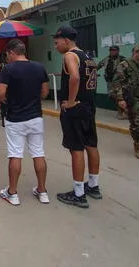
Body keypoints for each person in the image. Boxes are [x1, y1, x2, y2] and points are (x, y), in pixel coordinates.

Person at [0, 39, 50, 206]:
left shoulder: (8, 69)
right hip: (35, 117)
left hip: (15, 118)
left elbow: (0, 92)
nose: (7, 58)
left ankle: (12, 193)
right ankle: (42, 191)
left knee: (15, 154)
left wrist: (6, 100)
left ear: (12, 52)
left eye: (7, 54)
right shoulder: (39, 67)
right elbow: (45, 92)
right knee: (38, 153)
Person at [53, 25, 101, 208]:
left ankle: (79, 193)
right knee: (91, 144)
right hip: (89, 106)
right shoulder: (88, 57)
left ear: (66, 40)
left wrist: (71, 101)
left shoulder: (70, 55)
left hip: (76, 108)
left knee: (76, 148)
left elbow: (74, 77)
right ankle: (94, 185)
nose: (56, 46)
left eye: (57, 43)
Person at [110, 44, 139, 161]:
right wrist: (120, 99)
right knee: (138, 123)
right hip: (133, 98)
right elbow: (117, 83)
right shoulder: (124, 65)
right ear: (136, 53)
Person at [97, 46, 127, 119]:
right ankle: (124, 111)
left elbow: (129, 69)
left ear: (118, 51)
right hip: (110, 82)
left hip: (119, 82)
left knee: (120, 97)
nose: (113, 52)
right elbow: (98, 66)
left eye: (114, 50)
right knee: (113, 96)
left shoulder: (122, 59)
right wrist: (93, 72)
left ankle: (123, 112)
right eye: (111, 50)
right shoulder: (106, 59)